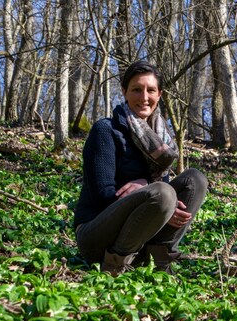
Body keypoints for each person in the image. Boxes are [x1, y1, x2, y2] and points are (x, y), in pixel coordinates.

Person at [74, 61, 208, 277]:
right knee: (163, 193)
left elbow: (161, 199)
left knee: (195, 180)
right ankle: (115, 264)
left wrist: (164, 206)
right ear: (125, 92)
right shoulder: (105, 130)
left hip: (138, 235)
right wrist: (146, 189)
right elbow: (102, 197)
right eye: (136, 89)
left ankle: (160, 258)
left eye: (151, 90)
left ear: (160, 95)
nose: (144, 97)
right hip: (96, 237)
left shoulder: (160, 141)